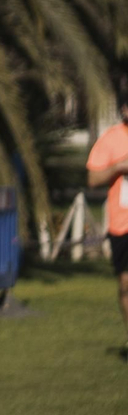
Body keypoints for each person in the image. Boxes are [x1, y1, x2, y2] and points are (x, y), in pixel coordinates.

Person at [85, 83, 128, 358]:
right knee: (125, 284)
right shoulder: (111, 139)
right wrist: (118, 167)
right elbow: (92, 180)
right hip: (122, 224)